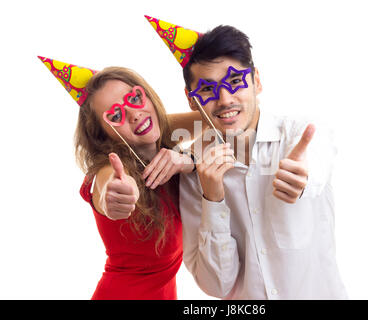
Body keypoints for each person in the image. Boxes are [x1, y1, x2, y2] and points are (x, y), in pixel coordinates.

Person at [155, 24, 347, 299]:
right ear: (192, 101)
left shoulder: (299, 135)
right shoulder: (193, 170)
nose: (225, 100)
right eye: (208, 90)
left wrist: (302, 178)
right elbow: (216, 285)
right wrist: (213, 198)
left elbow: (317, 160)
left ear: (256, 80)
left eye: (234, 82)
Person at [39, 57, 201, 299]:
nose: (134, 114)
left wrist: (190, 159)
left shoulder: (162, 136)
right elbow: (104, 188)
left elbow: (217, 121)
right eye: (115, 116)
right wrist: (113, 195)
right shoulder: (108, 170)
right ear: (103, 136)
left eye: (135, 98)